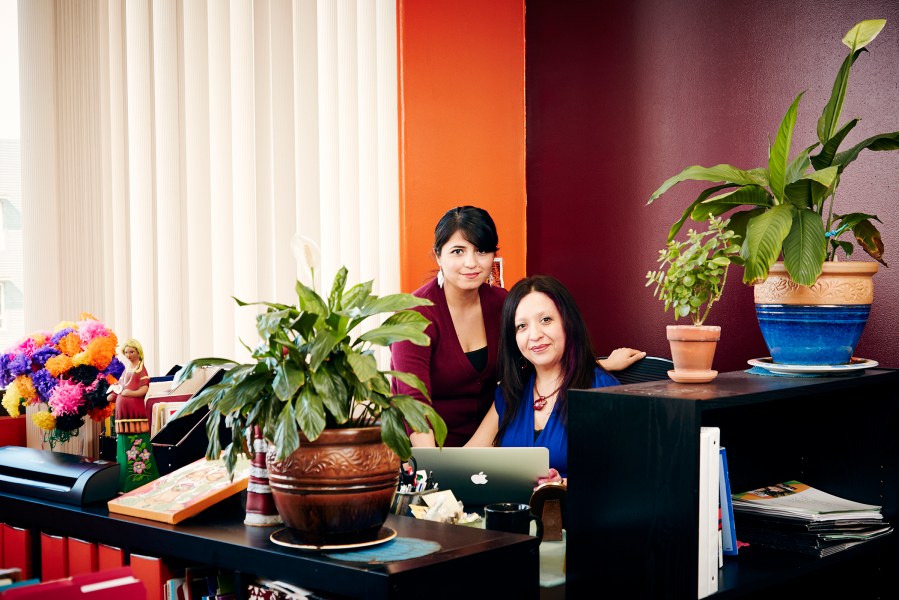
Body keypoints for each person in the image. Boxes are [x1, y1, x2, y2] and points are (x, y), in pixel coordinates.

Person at [390, 206, 644, 447]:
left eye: (481, 251)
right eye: (458, 251)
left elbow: (532, 356)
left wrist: (598, 367)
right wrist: (431, 470)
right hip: (425, 448)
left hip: (492, 443)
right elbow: (414, 405)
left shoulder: (502, 303)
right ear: (438, 255)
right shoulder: (413, 316)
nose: (471, 263)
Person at [466, 275, 620, 485]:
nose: (534, 335)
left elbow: (618, 477)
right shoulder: (511, 392)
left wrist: (563, 485)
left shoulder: (604, 391)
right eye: (522, 326)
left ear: (568, 322)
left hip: (575, 514)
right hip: (512, 514)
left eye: (546, 320)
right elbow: (466, 460)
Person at [107, 338, 159, 493]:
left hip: (134, 415)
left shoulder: (141, 370)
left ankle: (140, 479)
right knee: (123, 446)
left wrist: (131, 393)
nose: (129, 355)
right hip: (122, 416)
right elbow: (121, 388)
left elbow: (144, 389)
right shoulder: (127, 369)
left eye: (132, 352)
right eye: (126, 352)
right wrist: (114, 394)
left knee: (136, 444)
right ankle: (124, 481)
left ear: (138, 352)